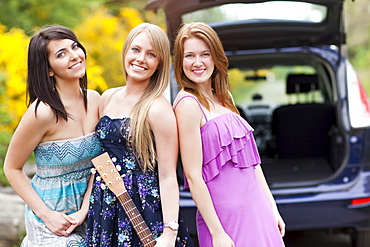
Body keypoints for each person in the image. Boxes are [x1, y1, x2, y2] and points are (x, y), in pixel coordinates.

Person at [173, 22, 286, 247]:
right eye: (189, 55)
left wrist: (271, 207)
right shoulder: (187, 105)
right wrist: (217, 233)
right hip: (225, 222)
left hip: (257, 211)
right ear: (180, 61)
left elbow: (252, 165)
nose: (197, 63)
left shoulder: (225, 98)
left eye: (205, 54)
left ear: (215, 57)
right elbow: (194, 177)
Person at [86, 23, 193, 247]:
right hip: (105, 204)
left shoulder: (157, 109)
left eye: (151, 54)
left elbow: (167, 175)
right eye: (136, 50)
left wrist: (169, 233)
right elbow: (97, 162)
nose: (141, 58)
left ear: (159, 63)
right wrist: (84, 209)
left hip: (143, 209)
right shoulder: (107, 97)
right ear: (126, 51)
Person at [3, 25, 101, 246]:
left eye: (74, 47)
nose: (74, 56)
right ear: (48, 69)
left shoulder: (95, 100)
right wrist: (46, 215)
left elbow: (100, 163)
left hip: (90, 211)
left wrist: (85, 209)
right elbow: (11, 168)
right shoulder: (43, 112)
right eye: (61, 54)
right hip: (51, 218)